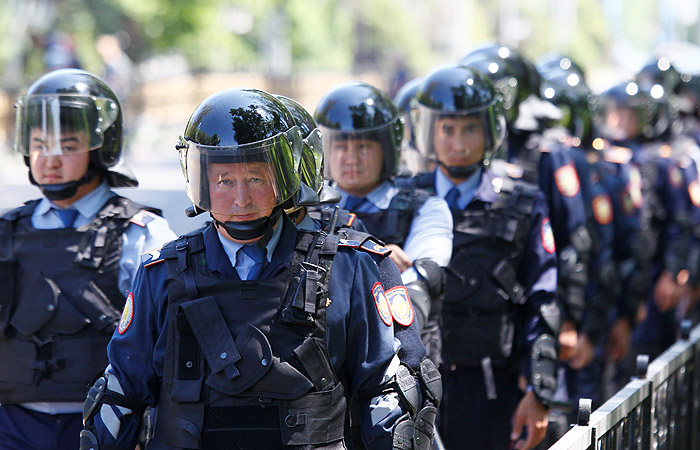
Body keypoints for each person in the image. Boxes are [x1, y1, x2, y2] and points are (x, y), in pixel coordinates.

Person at [80, 87, 409, 450]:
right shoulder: (160, 274)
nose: (241, 199)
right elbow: (119, 398)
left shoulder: (352, 266)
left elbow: (389, 397)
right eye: (224, 181)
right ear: (200, 182)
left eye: (256, 178)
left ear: (285, 177)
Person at [0, 68, 175, 450]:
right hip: (11, 427)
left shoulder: (142, 233)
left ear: (101, 147)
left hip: (107, 429)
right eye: (40, 143)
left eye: (68, 144)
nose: (50, 159)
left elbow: (172, 347)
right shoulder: (5, 233)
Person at [411, 64, 561, 450]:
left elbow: (542, 299)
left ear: (490, 130)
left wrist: (540, 390)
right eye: (447, 129)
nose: (458, 142)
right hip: (413, 386)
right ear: (428, 131)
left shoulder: (522, 202)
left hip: (491, 387)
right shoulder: (406, 200)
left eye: (470, 128)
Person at [314, 81, 453, 365]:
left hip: (406, 362)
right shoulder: (307, 209)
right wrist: (379, 263)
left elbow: (422, 281)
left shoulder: (426, 207)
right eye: (340, 145)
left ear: (387, 148)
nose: (350, 158)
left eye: (364, 146)